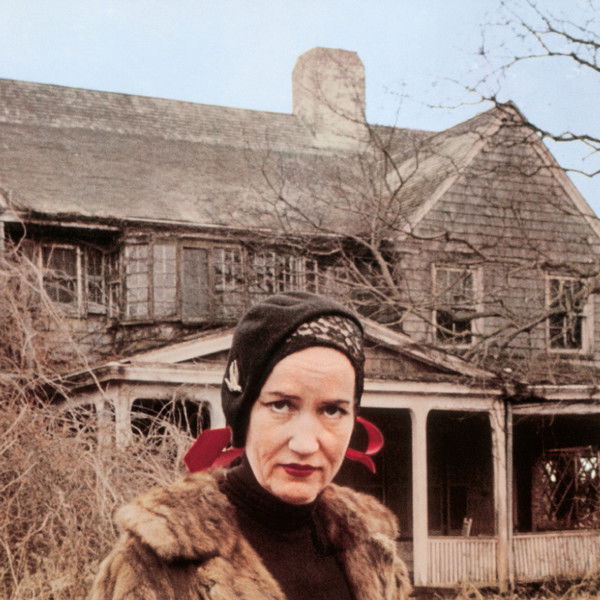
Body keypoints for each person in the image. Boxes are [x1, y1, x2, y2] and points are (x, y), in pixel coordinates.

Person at [90, 291, 411, 600]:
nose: (305, 444)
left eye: (332, 410)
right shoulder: (155, 564)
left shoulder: (371, 549)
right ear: (243, 413)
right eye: (281, 405)